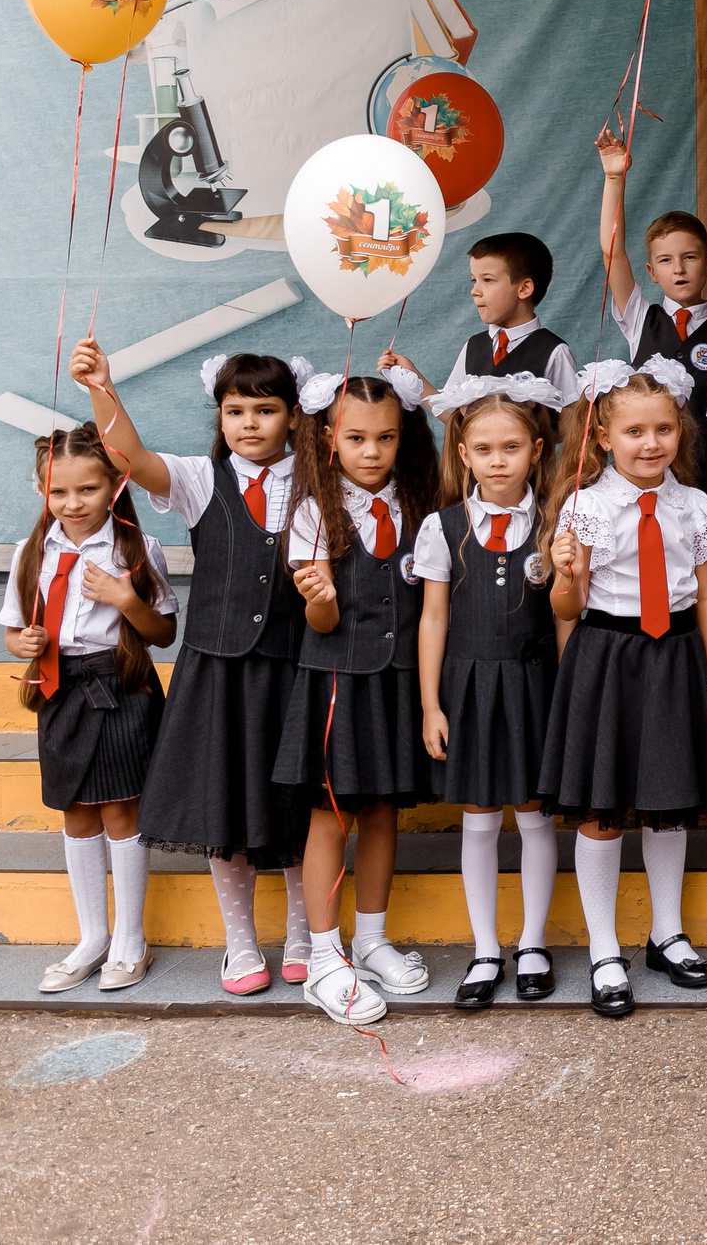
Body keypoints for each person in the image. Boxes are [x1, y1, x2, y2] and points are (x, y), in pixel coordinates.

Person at [72, 341, 315, 996]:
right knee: (223, 803)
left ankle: (303, 931)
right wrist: (104, 387)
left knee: (297, 804)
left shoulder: (319, 480)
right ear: (220, 415)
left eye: (266, 409)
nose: (249, 423)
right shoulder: (202, 479)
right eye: (235, 410)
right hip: (219, 672)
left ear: (294, 415)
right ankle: (240, 943)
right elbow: (127, 456)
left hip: (295, 667)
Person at [543, 357, 707, 1019]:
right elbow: (567, 607)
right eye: (635, 432)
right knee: (603, 809)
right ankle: (603, 947)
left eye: (663, 429)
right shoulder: (586, 507)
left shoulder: (694, 507)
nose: (651, 443)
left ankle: (666, 932)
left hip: (676, 657)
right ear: (603, 437)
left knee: (666, 801)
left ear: (679, 432)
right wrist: (564, 573)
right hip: (606, 657)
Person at [277, 365, 442, 1027]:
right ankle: (324, 953)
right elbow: (319, 622)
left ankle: (370, 938)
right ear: (328, 440)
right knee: (331, 812)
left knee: (382, 811)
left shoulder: (418, 502)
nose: (372, 451)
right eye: (357, 438)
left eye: (386, 437)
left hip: (398, 679)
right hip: (338, 680)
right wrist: (319, 600)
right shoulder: (316, 510)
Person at [0, 424, 176, 994]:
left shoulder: (136, 550)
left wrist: (127, 599)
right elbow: (13, 629)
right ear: (42, 492)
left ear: (115, 487)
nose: (72, 505)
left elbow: (164, 631)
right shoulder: (32, 553)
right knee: (75, 811)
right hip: (60, 691)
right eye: (58, 493)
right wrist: (20, 645)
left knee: (122, 811)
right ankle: (92, 938)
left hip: (120, 685)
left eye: (87, 491)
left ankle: (130, 941)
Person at [416, 373, 568, 1009]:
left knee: (535, 816)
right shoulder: (443, 526)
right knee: (478, 820)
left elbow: (565, 615)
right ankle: (485, 948)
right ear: (463, 453)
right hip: (470, 687)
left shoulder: (556, 523)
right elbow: (433, 617)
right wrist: (431, 704)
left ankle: (531, 942)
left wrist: (568, 698)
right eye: (484, 449)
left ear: (536, 451)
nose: (497, 460)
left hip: (536, 686)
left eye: (511, 447)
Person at [598, 127, 707, 504]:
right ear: (652, 272)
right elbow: (612, 253)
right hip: (645, 481)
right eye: (666, 261)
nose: (679, 269)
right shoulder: (640, 317)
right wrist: (614, 178)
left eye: (689, 257)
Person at [380, 232, 578, 404]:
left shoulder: (555, 352)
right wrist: (413, 376)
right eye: (474, 280)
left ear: (524, 288)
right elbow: (453, 415)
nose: (475, 291)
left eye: (488, 280)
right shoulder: (473, 346)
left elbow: (572, 428)